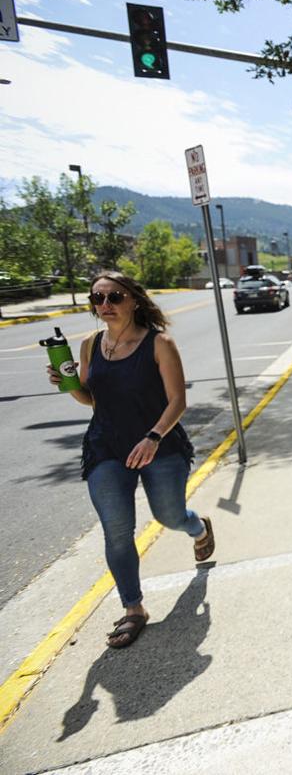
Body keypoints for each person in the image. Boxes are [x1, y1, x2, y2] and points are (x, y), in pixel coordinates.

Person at [47, 271, 214, 648]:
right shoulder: (91, 343)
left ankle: (197, 527)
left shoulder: (159, 343)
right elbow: (92, 398)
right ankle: (133, 609)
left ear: (133, 300)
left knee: (168, 516)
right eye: (97, 299)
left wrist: (154, 437)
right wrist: (69, 386)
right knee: (117, 530)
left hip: (160, 444)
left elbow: (178, 402)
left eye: (114, 297)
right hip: (106, 445)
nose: (104, 305)